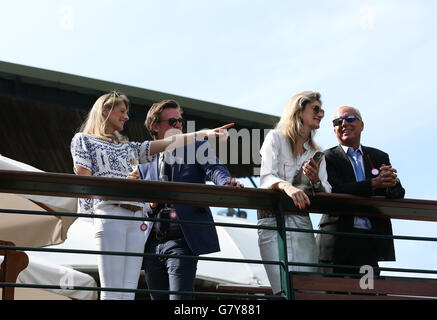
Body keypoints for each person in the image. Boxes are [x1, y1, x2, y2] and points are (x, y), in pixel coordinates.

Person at [70, 91, 233, 300]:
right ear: (105, 111)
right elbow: (85, 181)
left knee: (128, 293)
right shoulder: (84, 140)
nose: (127, 117)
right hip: (115, 218)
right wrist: (124, 187)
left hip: (140, 222)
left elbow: (171, 144)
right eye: (122, 111)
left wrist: (205, 134)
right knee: (111, 290)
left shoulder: (129, 148)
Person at [138, 99, 243, 300]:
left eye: (180, 121)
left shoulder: (196, 147)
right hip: (150, 243)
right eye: (172, 122)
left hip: (181, 238)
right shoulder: (145, 157)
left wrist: (226, 182)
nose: (178, 125)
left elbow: (215, 169)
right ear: (155, 126)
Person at [317, 105, 405, 276]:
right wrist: (373, 184)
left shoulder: (379, 156)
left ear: (362, 125)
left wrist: (392, 182)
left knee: (368, 291)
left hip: (369, 240)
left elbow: (396, 194)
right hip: (337, 240)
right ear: (334, 128)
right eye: (337, 121)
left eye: (350, 119)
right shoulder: (327, 157)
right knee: (334, 293)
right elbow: (335, 189)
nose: (344, 124)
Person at [258, 91, 331, 295]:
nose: (320, 114)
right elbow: (266, 177)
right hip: (271, 223)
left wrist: (316, 181)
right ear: (298, 111)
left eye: (321, 110)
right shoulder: (275, 138)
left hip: (301, 223)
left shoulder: (317, 153)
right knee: (283, 291)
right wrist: (288, 187)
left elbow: (327, 192)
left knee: (308, 291)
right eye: (315, 109)